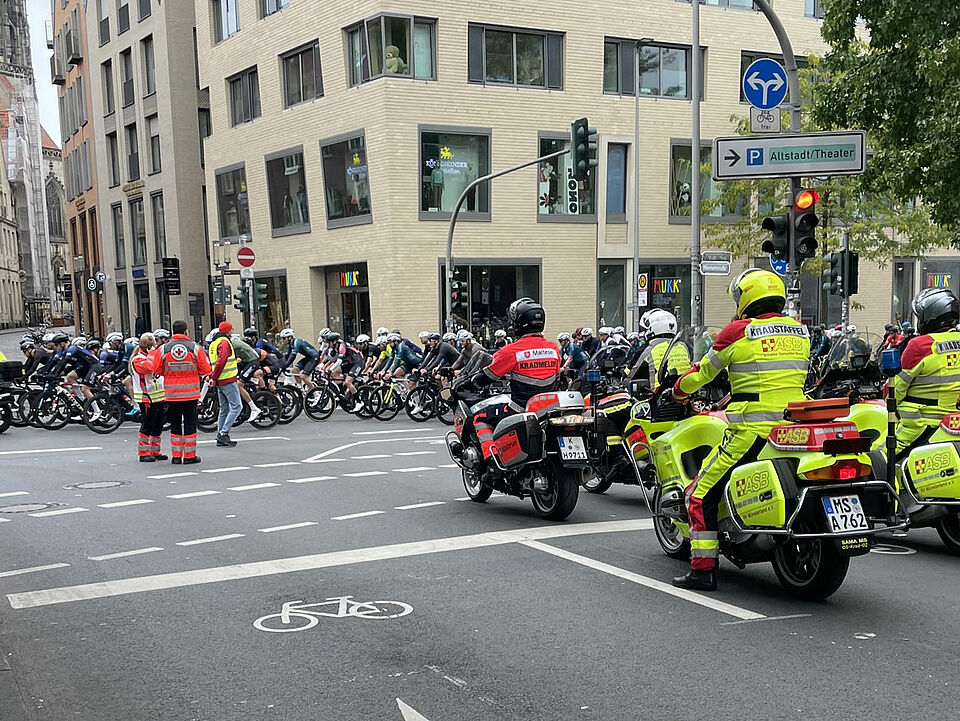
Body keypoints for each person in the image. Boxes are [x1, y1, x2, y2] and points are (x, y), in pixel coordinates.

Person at [670, 269, 808, 591]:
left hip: (752, 430)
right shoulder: (800, 331)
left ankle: (702, 569)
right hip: (793, 426)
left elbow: (704, 372)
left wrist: (677, 390)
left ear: (746, 297)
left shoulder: (737, 332)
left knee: (698, 494)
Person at [457, 298, 560, 461]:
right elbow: (556, 376)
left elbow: (488, 376)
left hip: (521, 408)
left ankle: (492, 458)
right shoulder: (553, 348)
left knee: (480, 417)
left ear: (517, 323)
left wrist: (467, 384)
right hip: (548, 408)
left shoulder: (510, 351)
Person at [889, 288, 960, 456]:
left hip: (921, 427)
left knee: (877, 460)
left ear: (929, 317)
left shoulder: (920, 346)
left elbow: (894, 391)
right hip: (953, 426)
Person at [150, 320, 210, 464]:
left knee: (175, 424)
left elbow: (156, 369)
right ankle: (189, 456)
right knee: (190, 423)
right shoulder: (195, 348)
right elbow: (205, 369)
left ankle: (176, 456)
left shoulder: (163, 349)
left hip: (172, 394)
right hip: (190, 394)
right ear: (186, 331)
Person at [628, 309, 690, 389]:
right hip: (685, 392)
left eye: (645, 329)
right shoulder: (683, 346)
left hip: (657, 393)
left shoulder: (648, 348)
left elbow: (629, 376)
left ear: (652, 328)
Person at [130, 333, 167, 462]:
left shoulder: (151, 356)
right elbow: (149, 367)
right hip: (146, 398)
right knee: (147, 425)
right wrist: (152, 353)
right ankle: (143, 452)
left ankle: (155, 451)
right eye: (153, 346)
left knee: (158, 425)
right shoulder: (138, 359)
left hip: (158, 397)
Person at [209, 322, 242, 447]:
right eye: (231, 329)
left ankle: (220, 434)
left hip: (220, 380)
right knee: (237, 406)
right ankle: (223, 433)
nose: (232, 332)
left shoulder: (214, 343)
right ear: (227, 331)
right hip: (227, 379)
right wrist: (214, 377)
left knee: (224, 408)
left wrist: (213, 377)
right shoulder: (224, 342)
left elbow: (215, 362)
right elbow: (221, 361)